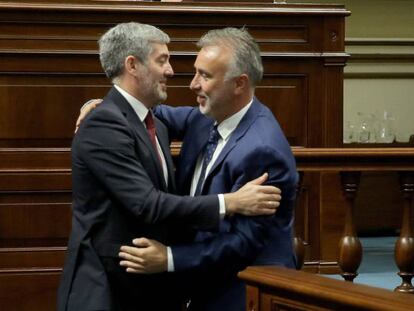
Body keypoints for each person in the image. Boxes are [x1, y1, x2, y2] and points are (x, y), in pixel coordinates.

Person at [58, 23, 282, 311]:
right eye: (162, 60)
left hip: (150, 288)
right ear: (133, 65)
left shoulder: (155, 122)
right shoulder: (104, 123)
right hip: (105, 291)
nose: (172, 71)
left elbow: (147, 112)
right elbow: (148, 204)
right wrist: (231, 202)